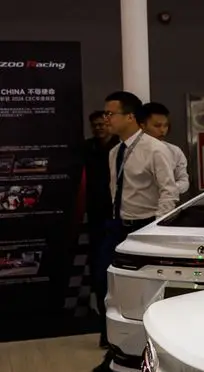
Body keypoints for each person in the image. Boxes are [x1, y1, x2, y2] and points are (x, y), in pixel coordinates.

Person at [100, 91, 178, 355]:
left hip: (144, 226)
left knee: (144, 288)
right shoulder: (115, 151)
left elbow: (169, 191)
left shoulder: (155, 149)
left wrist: (157, 229)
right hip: (117, 224)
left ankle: (149, 341)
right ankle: (113, 338)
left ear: (130, 117)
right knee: (107, 280)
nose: (106, 119)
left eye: (111, 114)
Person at [81, 111, 117, 335]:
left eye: (102, 124)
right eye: (95, 125)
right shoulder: (87, 148)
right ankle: (102, 319)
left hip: (117, 212)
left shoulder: (120, 147)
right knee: (98, 265)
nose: (99, 128)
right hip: (94, 212)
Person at [138, 102, 188, 196]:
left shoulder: (174, 151)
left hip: (167, 200)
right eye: (157, 126)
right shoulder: (131, 151)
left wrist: (170, 188)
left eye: (165, 125)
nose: (162, 130)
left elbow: (184, 181)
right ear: (142, 126)